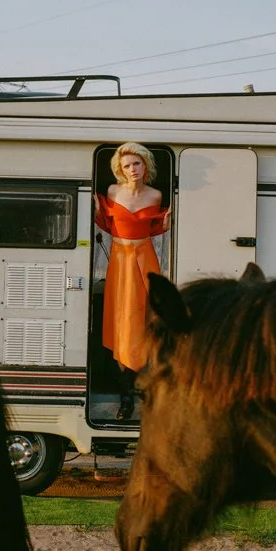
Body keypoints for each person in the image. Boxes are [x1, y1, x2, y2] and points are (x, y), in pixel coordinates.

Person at [94, 142, 169, 417]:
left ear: (145, 164)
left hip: (145, 258)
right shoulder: (113, 191)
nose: (132, 169)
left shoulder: (156, 195)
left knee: (145, 322)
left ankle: (145, 391)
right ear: (119, 170)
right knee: (121, 325)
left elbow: (158, 228)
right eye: (126, 165)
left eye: (136, 163)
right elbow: (104, 223)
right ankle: (125, 397)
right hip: (120, 259)